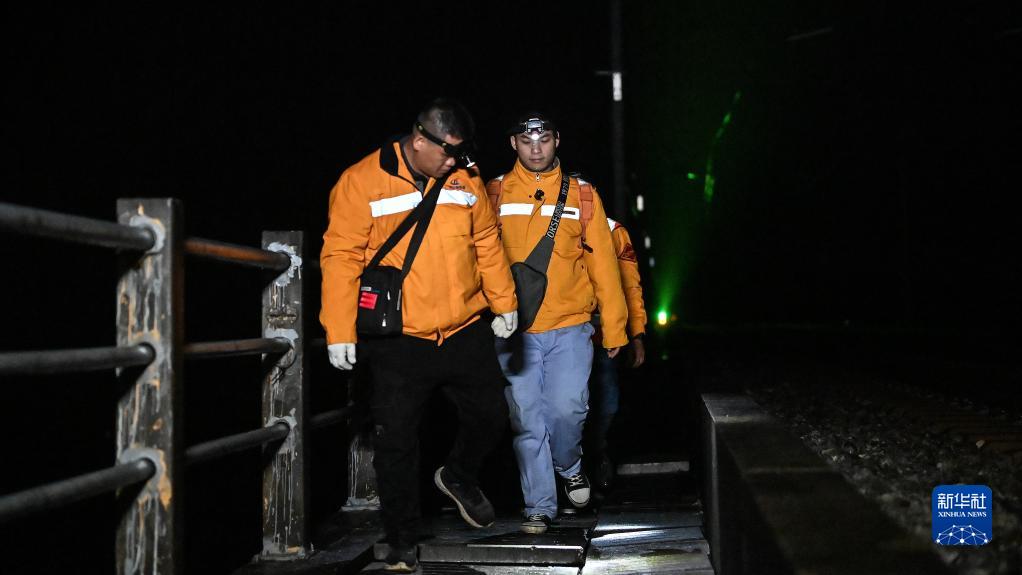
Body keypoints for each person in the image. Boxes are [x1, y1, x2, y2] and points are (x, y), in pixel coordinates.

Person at [320, 98, 519, 573]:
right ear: (419, 139)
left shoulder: (466, 178)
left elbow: (487, 242)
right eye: (449, 152)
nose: (456, 161)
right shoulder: (359, 181)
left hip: (464, 327)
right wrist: (339, 329)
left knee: (493, 413)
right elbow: (341, 258)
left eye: (462, 152)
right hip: (399, 338)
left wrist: (505, 303)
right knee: (396, 441)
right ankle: (402, 539)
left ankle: (459, 475)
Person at [487, 112, 628, 534]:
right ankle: (540, 506)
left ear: (556, 141)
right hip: (514, 331)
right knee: (526, 418)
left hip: (571, 325)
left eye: (544, 139)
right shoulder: (493, 193)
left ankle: (570, 466)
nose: (536, 148)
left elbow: (603, 263)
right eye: (527, 140)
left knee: (568, 411)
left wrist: (616, 327)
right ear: (513, 143)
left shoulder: (583, 195)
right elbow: (476, 258)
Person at [586, 217, 647, 492]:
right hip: (549, 333)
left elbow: (630, 284)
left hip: (602, 337)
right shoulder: (536, 217)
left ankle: (597, 454)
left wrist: (637, 335)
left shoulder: (613, 230)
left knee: (606, 402)